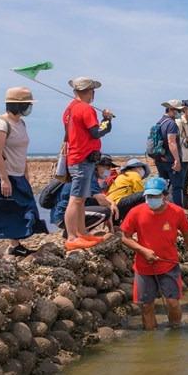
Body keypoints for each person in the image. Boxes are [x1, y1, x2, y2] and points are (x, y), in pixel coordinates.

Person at [119, 176, 188, 330]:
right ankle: (151, 338)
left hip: (168, 264)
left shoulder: (177, 212)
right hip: (144, 267)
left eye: (155, 196)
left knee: (172, 303)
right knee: (146, 306)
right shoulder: (135, 212)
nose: (151, 199)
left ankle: (176, 332)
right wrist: (143, 250)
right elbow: (125, 238)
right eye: (149, 196)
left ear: (165, 195)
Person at [0, 87, 48, 259]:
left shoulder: (21, 123)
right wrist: (4, 179)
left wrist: (25, 173)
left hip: (17, 175)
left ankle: (14, 245)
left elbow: (22, 152)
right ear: (18, 105)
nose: (29, 108)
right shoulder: (0, 124)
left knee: (20, 209)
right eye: (27, 104)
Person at [61, 77, 114, 250]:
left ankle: (81, 233)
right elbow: (96, 132)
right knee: (76, 199)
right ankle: (71, 237)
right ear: (90, 92)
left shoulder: (69, 109)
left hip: (77, 156)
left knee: (81, 199)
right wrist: (107, 120)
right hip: (82, 158)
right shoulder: (85, 108)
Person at [149, 100, 184, 206]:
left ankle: (162, 206)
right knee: (177, 186)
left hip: (160, 159)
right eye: (178, 111)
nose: (180, 113)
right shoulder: (171, 123)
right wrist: (177, 160)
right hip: (170, 160)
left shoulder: (159, 122)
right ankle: (178, 210)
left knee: (163, 185)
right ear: (171, 110)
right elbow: (171, 142)